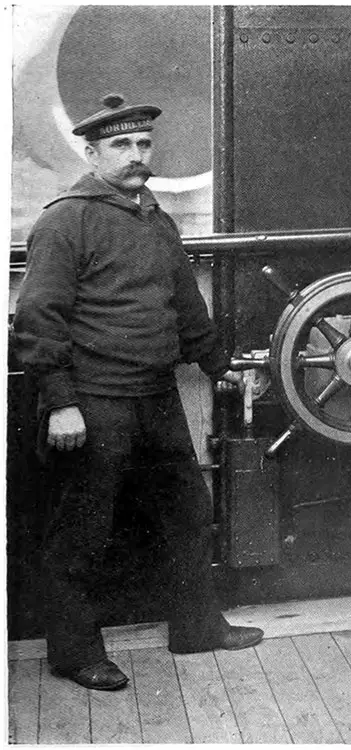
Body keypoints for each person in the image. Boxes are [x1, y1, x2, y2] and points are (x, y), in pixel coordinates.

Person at [13, 94, 263, 691]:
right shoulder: (64, 220)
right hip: (93, 401)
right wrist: (61, 401)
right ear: (92, 152)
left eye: (144, 144)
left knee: (186, 513)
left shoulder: (155, 218)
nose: (136, 155)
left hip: (155, 396)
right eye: (121, 145)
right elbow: (38, 320)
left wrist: (217, 362)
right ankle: (74, 653)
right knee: (82, 528)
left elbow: (184, 303)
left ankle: (196, 628)